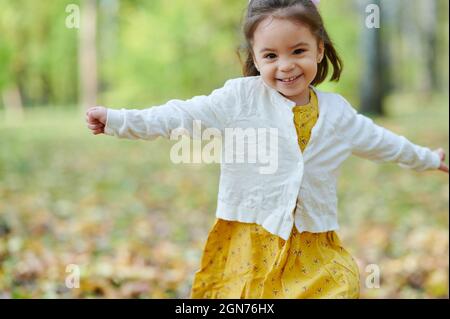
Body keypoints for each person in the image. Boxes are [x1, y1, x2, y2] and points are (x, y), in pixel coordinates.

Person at [85, 0, 448, 298]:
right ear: (255, 59)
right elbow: (181, 115)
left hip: (313, 243)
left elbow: (381, 142)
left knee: (340, 287)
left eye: (298, 51)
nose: (286, 65)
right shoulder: (240, 99)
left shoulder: (337, 114)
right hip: (250, 239)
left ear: (319, 49)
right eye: (271, 56)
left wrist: (429, 158)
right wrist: (118, 120)